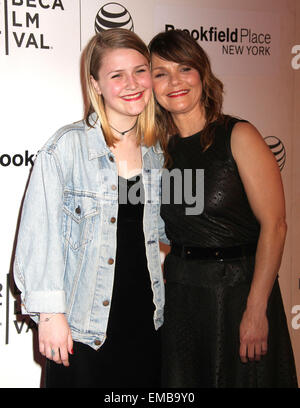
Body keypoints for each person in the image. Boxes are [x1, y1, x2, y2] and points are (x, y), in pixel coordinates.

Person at [13, 28, 168, 388]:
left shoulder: (156, 153)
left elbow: (165, 228)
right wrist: (50, 316)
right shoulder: (66, 148)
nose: (133, 83)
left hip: (146, 321)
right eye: (117, 75)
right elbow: (39, 236)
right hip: (85, 328)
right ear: (96, 84)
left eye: (140, 70)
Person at [149, 29, 298, 388]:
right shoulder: (158, 153)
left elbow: (275, 225)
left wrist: (256, 308)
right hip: (182, 296)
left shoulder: (238, 135)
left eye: (185, 68)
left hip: (238, 295)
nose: (174, 82)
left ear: (202, 73)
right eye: (160, 73)